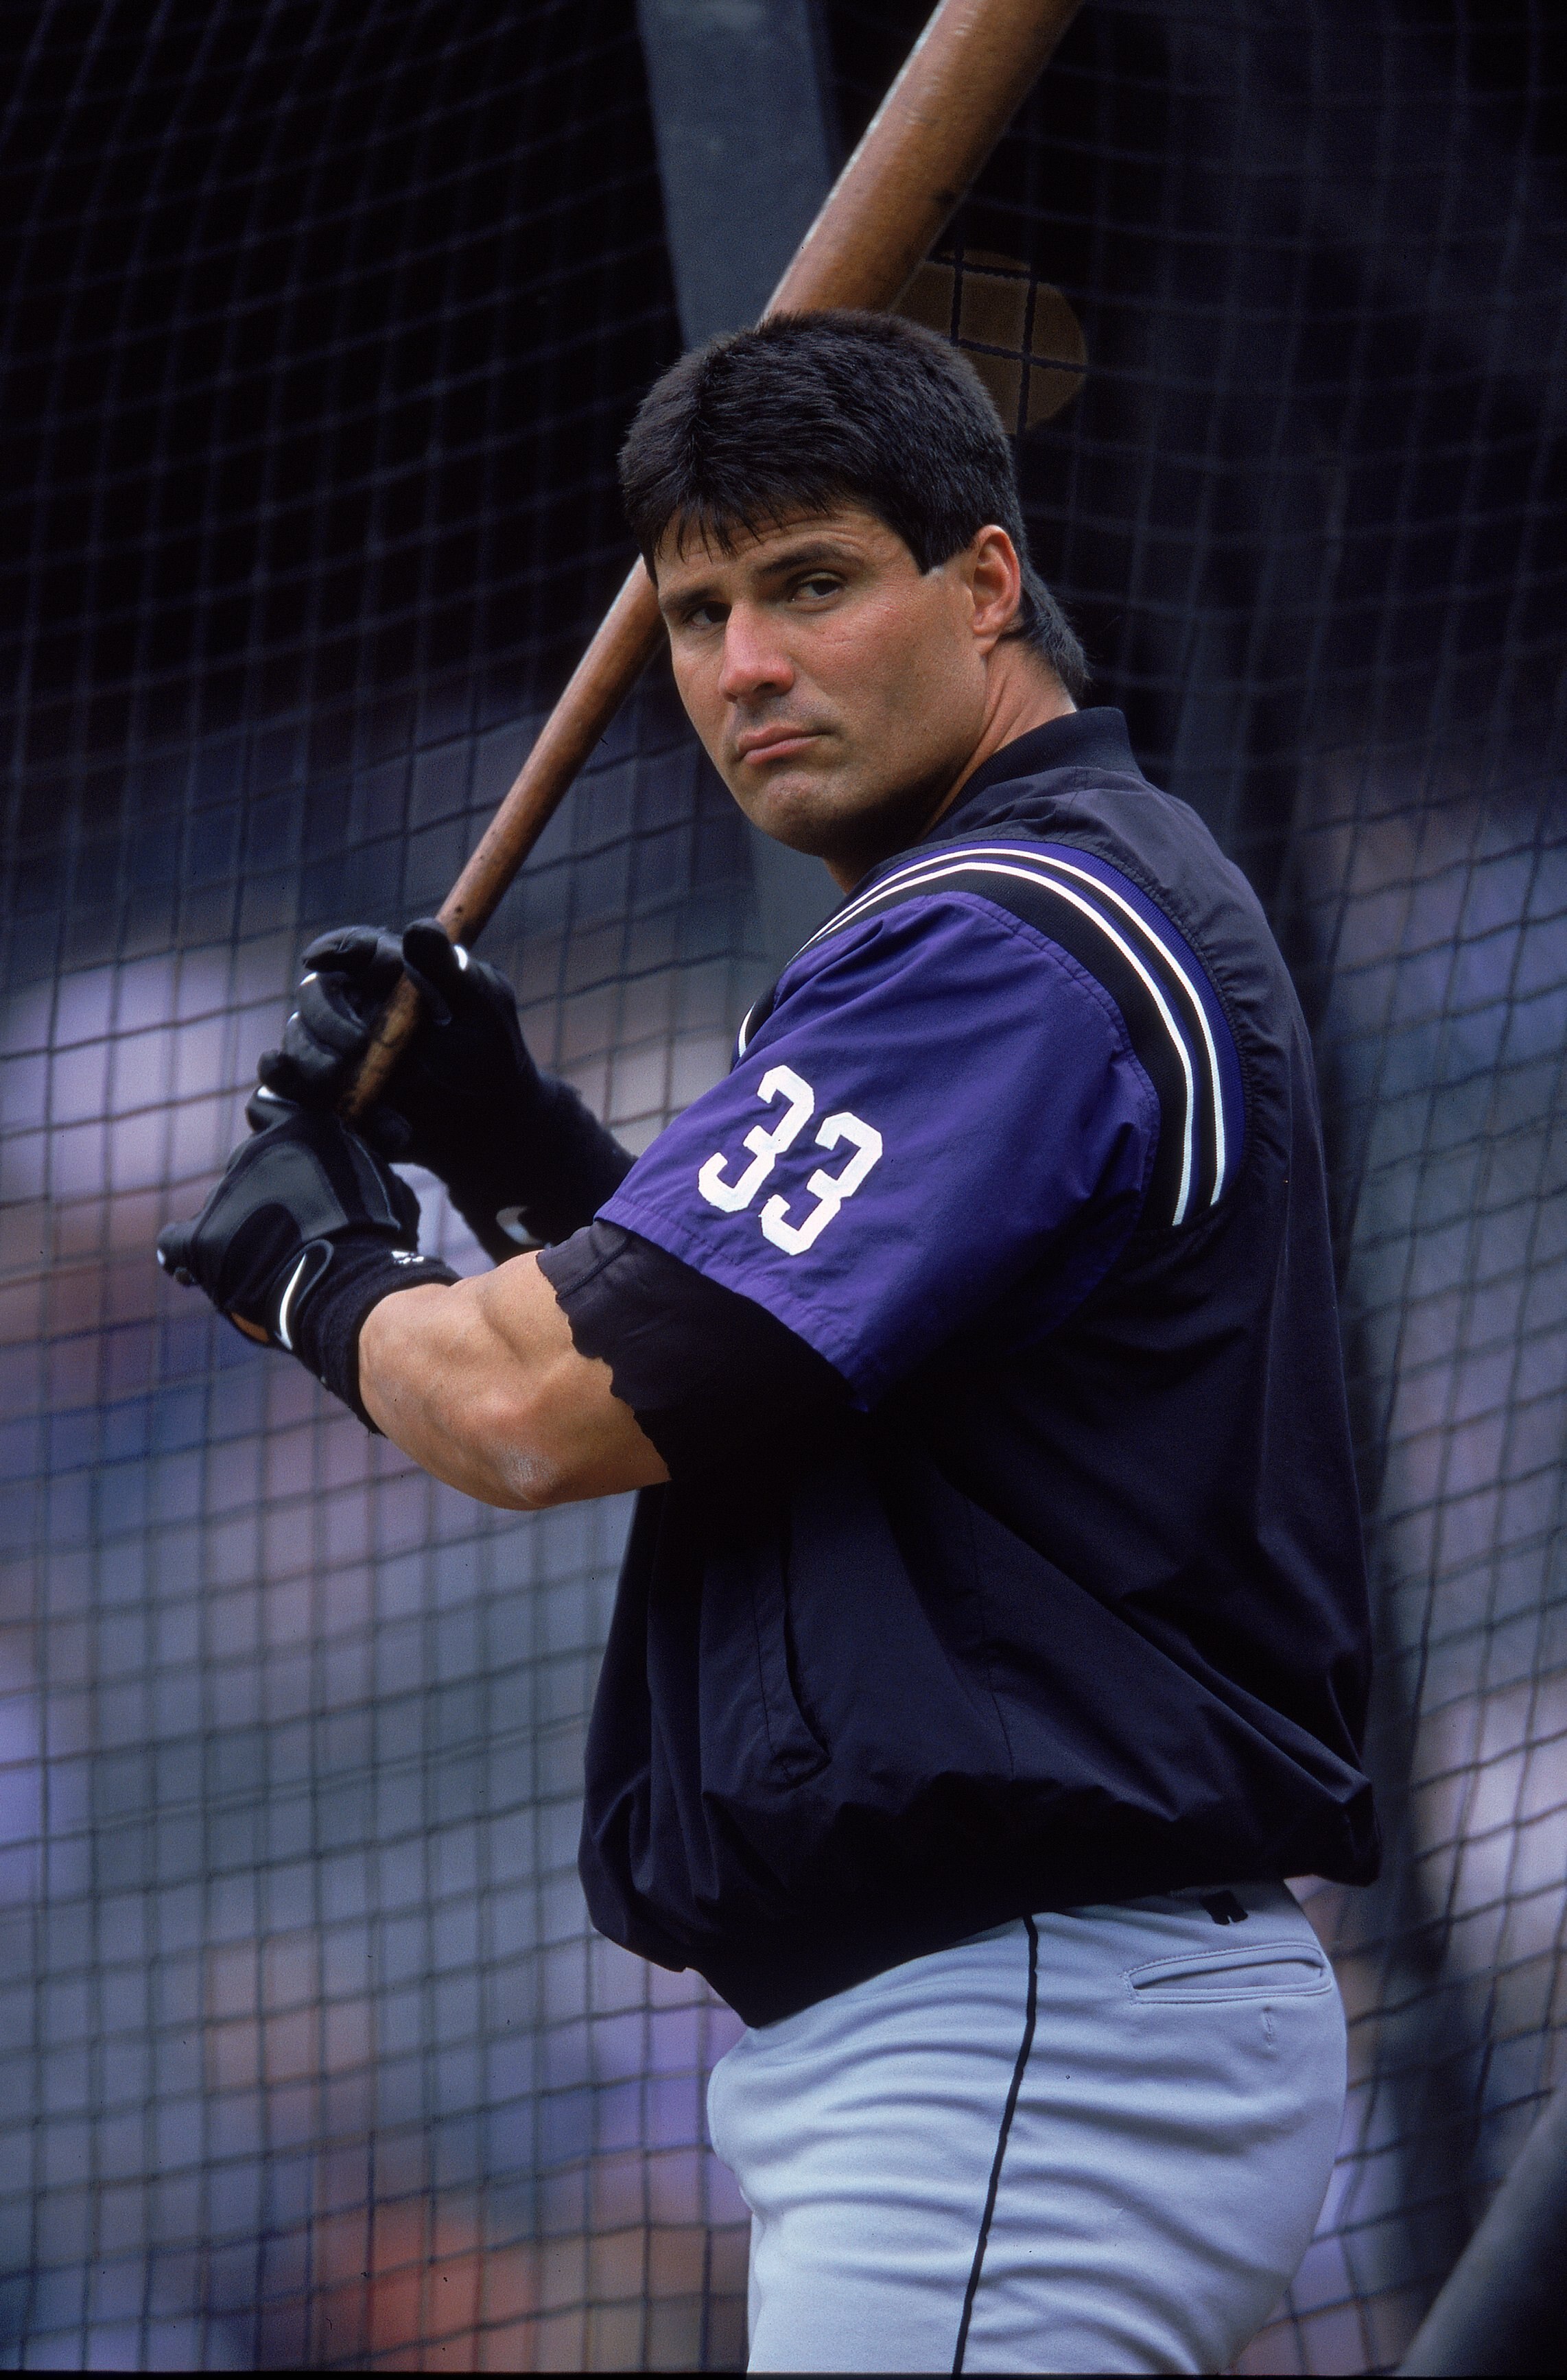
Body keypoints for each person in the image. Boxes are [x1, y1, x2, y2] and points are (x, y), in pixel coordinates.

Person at [158, 311, 1378, 2374]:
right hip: (1020, 2023)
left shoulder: (994, 937)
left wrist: (316, 1277)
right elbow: (797, 1400)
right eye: (697, 605)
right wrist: (522, 1149)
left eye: (812, 581)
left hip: (1025, 2017)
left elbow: (537, 1414)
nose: (740, 666)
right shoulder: (1029, 914)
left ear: (985, 582)